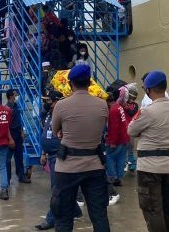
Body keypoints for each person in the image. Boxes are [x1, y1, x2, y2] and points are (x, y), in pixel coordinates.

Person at [51, 64, 110, 232]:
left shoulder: (61, 105)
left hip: (67, 167)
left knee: (63, 217)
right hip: (95, 165)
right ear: (89, 82)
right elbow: (100, 128)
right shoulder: (102, 105)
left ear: (70, 84)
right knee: (99, 215)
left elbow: (56, 131)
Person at [128, 70, 169, 232]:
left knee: (152, 208)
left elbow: (131, 130)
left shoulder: (147, 111)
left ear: (149, 90)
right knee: (167, 206)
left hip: (149, 167)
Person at [35, 90, 83, 230]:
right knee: (62, 188)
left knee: (56, 190)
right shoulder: (49, 114)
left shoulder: (64, 115)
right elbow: (46, 133)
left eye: (49, 101)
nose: (46, 103)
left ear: (56, 101)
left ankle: (51, 219)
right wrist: (43, 152)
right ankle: (75, 211)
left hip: (60, 156)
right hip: (50, 155)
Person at [105, 86, 132, 205]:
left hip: (117, 139)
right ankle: (118, 177)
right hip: (124, 138)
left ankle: (112, 177)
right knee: (121, 158)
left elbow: (113, 127)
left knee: (110, 158)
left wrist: (111, 142)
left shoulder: (113, 110)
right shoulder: (119, 108)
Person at [6, 89, 30, 184]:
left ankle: (21, 176)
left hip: (18, 134)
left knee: (19, 156)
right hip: (10, 135)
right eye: (15, 94)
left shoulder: (16, 106)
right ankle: (7, 178)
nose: (17, 95)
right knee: (8, 158)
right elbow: (6, 125)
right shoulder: (7, 108)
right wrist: (10, 139)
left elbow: (18, 121)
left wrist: (22, 132)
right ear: (11, 96)